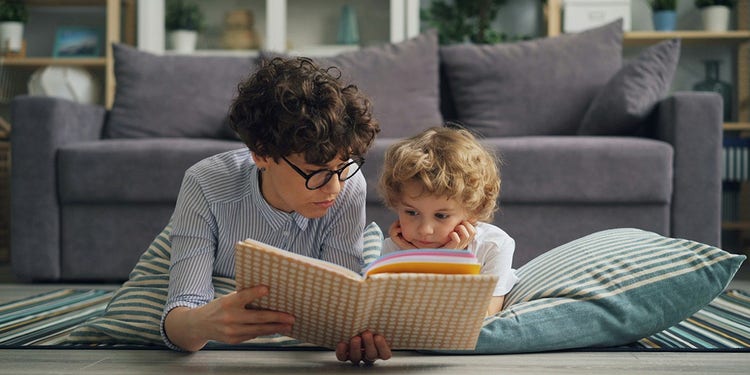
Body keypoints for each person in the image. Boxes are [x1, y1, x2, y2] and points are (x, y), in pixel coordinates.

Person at [161, 56, 390, 364]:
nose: (334, 187)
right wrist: (200, 324)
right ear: (261, 154)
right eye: (315, 171)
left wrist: (355, 336)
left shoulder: (349, 183)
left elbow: (342, 300)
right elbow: (182, 311)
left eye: (342, 165)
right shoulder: (205, 183)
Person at [379, 126, 519, 315]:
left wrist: (444, 262)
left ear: (473, 211)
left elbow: (483, 316)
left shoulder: (493, 246)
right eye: (411, 213)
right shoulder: (392, 249)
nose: (425, 230)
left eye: (441, 216)